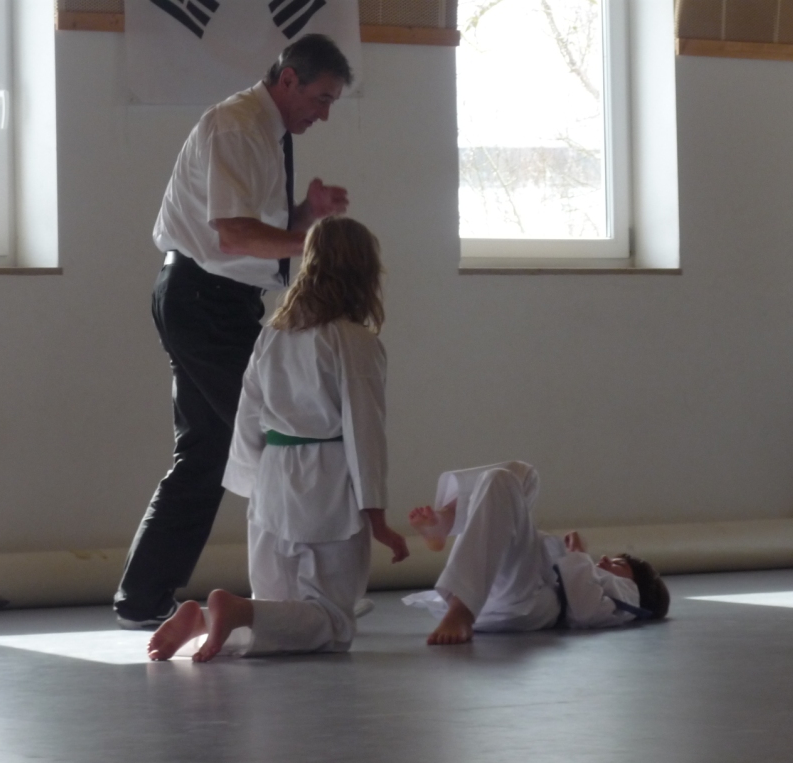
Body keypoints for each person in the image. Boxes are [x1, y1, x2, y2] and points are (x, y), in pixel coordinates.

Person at [114, 35, 354, 628]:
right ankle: (295, 591)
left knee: (208, 451)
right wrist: (318, 244)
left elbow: (251, 233)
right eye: (322, 98)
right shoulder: (236, 126)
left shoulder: (263, 131)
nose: (323, 115)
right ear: (289, 79)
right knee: (278, 436)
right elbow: (233, 236)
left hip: (212, 299)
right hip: (203, 300)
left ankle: (142, 598)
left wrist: (306, 215)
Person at [147, 216, 409, 661]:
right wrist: (377, 515)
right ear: (365, 272)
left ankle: (210, 620)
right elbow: (365, 430)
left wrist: (255, 491)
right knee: (334, 622)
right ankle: (229, 611)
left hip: (272, 480)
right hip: (327, 485)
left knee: (273, 608)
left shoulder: (273, 335)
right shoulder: (354, 340)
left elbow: (248, 415)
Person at [403, 461, 669, 645]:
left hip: (521, 603)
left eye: (619, 564)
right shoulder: (593, 578)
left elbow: (585, 612)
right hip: (500, 596)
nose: (606, 559)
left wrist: (578, 557)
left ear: (635, 584)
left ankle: (462, 608)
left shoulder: (631, 595)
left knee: (507, 479)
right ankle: (447, 520)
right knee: (517, 474)